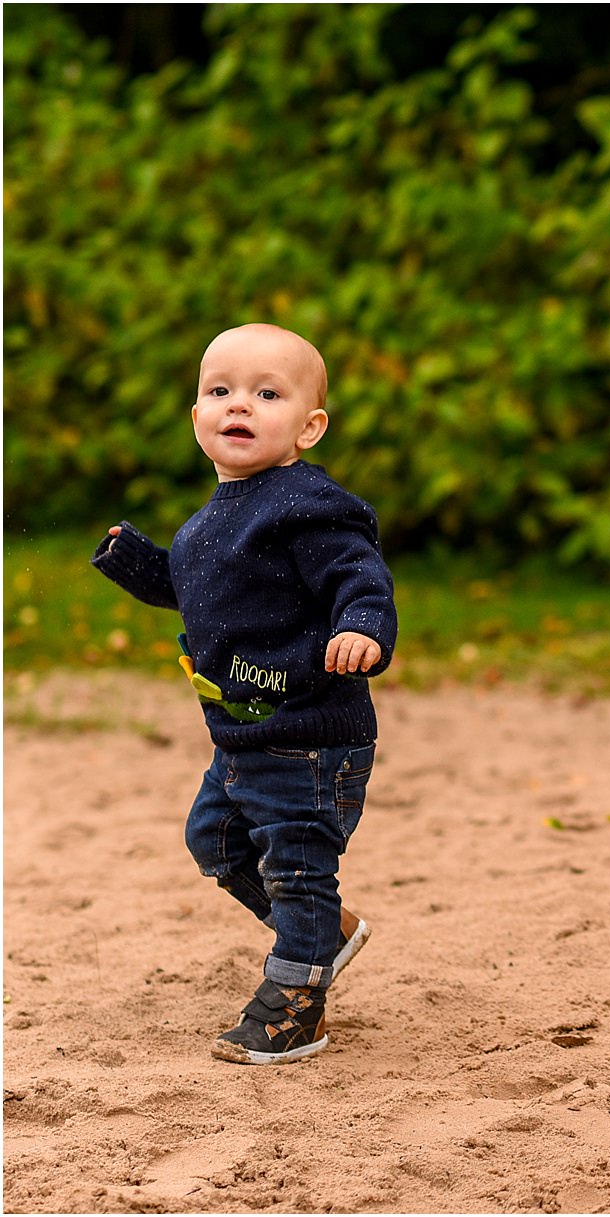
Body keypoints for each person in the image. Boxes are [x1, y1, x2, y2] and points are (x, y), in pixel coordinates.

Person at [92, 322, 397, 1065]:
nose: (240, 405)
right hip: (244, 737)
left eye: (267, 393)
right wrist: (137, 564)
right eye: (220, 391)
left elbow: (359, 575)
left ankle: (295, 1007)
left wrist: (362, 625)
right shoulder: (209, 521)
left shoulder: (306, 504)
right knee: (217, 842)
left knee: (295, 869)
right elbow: (203, 594)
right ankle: (325, 931)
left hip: (310, 736)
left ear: (308, 426)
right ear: (197, 417)